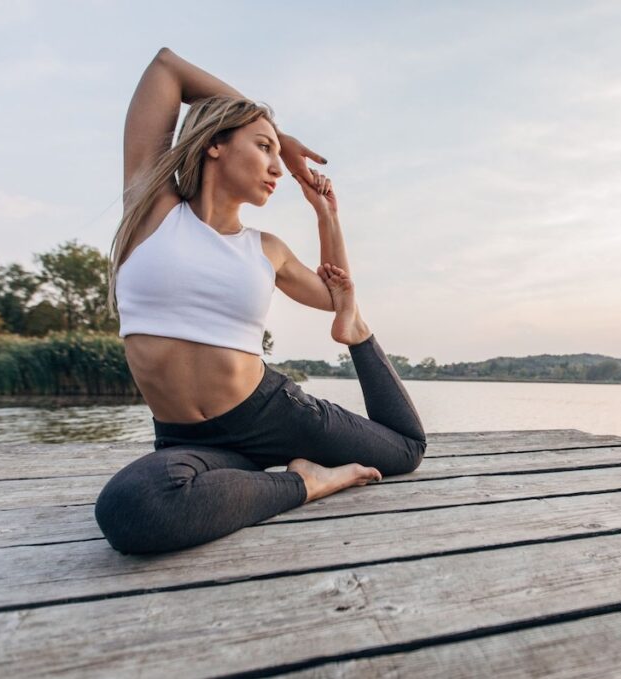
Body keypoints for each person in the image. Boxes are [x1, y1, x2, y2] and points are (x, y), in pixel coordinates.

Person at [94, 48, 426, 555]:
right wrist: (282, 132)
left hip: (272, 415)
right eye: (263, 148)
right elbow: (166, 68)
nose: (277, 167)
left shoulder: (265, 248)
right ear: (214, 146)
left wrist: (326, 217)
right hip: (186, 440)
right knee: (129, 509)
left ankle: (356, 346)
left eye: (278, 154)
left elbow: (333, 295)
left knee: (405, 450)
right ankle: (308, 483)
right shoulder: (153, 209)